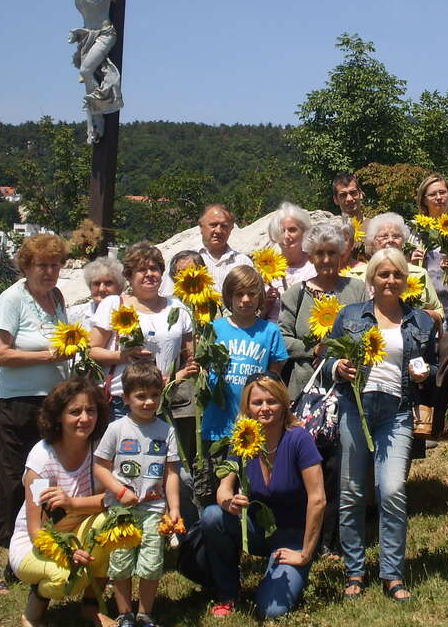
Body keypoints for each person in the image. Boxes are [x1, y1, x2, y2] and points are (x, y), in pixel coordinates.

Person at [323, 247, 439, 603]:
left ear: (406, 279)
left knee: (392, 491)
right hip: (355, 408)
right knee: (352, 493)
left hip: (397, 412)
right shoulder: (350, 315)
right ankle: (354, 570)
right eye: (383, 274)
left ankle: (392, 573)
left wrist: (425, 373)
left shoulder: (420, 321)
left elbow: (434, 367)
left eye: (397, 274)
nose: (390, 280)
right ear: (371, 278)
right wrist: (338, 367)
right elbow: (328, 359)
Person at [0, 233, 71, 596]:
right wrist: (46, 356)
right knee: (6, 483)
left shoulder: (57, 297)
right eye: (42, 265)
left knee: (41, 484)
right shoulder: (12, 299)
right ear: (27, 266)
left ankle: (26, 555)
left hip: (51, 405)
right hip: (14, 406)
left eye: (55, 265)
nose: (49, 271)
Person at [195, 376, 327, 619]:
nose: (265, 408)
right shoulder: (243, 439)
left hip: (293, 536)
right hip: (256, 530)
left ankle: (289, 573)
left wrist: (306, 553)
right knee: (213, 516)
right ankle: (227, 592)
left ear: (283, 404)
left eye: (271, 401)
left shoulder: (299, 438)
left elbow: (318, 499)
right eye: (257, 402)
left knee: (272, 611)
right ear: (248, 407)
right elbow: (223, 488)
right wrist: (229, 503)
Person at [280, 222, 368, 559]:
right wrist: (312, 348)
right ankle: (303, 535)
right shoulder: (296, 294)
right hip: (307, 390)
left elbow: (369, 327)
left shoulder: (356, 290)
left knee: (340, 466)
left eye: (332, 252)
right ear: (310, 255)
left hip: (347, 389)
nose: (327, 259)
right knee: (308, 464)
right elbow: (282, 337)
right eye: (320, 253)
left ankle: (333, 537)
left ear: (342, 254)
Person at [44, 0, 169, 143]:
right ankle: (93, 122)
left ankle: (99, 106)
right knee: (87, 76)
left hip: (104, 34)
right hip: (87, 37)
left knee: (86, 70)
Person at [9, 378, 111, 627]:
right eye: (75, 412)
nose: (85, 418)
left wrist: (72, 504)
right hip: (35, 545)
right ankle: (35, 607)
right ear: (58, 417)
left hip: (77, 532)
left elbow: (110, 500)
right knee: (65, 578)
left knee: (111, 525)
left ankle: (91, 608)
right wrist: (67, 553)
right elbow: (36, 531)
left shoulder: (99, 449)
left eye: (91, 410)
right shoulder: (42, 459)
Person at [93, 361, 182, 627]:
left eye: (154, 395)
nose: (148, 402)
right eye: (141, 396)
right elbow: (100, 467)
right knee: (120, 563)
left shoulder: (166, 430)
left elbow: (172, 473)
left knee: (151, 564)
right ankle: (124, 614)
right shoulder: (117, 429)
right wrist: (119, 491)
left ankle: (144, 614)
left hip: (154, 510)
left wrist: (174, 508)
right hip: (122, 511)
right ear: (126, 398)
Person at [89, 242, 196, 420]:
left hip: (162, 401)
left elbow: (191, 358)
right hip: (121, 403)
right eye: (141, 270)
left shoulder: (177, 308)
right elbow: (91, 351)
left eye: (154, 268)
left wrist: (175, 377)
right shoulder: (114, 304)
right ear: (129, 276)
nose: (149, 274)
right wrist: (124, 356)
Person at [202, 266, 288, 447]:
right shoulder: (214, 329)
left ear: (260, 297)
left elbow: (273, 379)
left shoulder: (270, 331)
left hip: (254, 424)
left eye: (252, 294)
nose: (246, 299)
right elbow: (204, 370)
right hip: (218, 422)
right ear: (229, 297)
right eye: (239, 294)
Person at [352, 212, 443, 325]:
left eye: (396, 236)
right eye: (384, 236)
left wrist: (416, 315)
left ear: (403, 241)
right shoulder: (355, 276)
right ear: (372, 241)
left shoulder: (419, 274)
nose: (390, 240)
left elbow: (438, 312)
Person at [165, 250, 208, 463]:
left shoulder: (212, 303)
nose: (187, 277)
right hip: (180, 393)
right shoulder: (169, 309)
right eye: (181, 273)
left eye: (192, 271)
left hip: (208, 390)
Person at [161, 204, 252, 296]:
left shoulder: (242, 262)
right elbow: (168, 296)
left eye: (224, 226)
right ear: (201, 227)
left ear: (231, 229)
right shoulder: (182, 260)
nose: (218, 231)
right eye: (213, 225)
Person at [413, 174, 448, 321]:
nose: (439, 197)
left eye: (442, 192)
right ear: (424, 200)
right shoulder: (415, 232)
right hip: (424, 306)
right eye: (432, 194)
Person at [263, 202, 317, 322]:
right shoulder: (266, 268)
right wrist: (265, 305)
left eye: (292, 230)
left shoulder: (315, 265)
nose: (287, 236)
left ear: (304, 232)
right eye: (282, 231)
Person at [68, 256, 125, 331]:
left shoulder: (131, 316)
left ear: (120, 287)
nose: (102, 289)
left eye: (108, 283)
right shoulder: (75, 314)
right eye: (96, 283)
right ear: (90, 287)